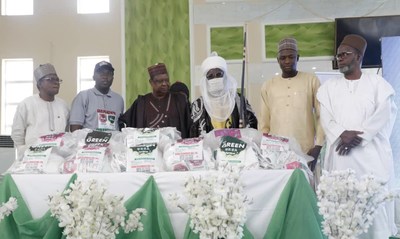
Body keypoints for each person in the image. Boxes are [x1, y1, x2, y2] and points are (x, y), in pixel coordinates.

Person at [317, 34, 397, 238]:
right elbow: (326, 119)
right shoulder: (328, 89)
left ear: (359, 56)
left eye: (345, 54)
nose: (340, 58)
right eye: (338, 55)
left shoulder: (378, 84)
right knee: (343, 210)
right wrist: (342, 134)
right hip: (341, 158)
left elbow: (384, 113)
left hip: (372, 159)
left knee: (373, 209)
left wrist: (360, 137)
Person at [259, 37, 324, 169]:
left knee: (304, 187)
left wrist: (318, 146)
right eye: (283, 58)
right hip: (276, 152)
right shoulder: (268, 85)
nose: (287, 61)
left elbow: (321, 116)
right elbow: (264, 123)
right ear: (278, 60)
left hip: (306, 150)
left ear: (297, 58)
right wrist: (264, 151)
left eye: (291, 57)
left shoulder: (311, 81)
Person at [190, 52, 257, 137]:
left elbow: (252, 127)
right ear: (205, 80)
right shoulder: (198, 106)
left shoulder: (238, 100)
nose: (215, 78)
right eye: (210, 76)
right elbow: (193, 135)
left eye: (219, 74)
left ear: (225, 76)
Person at [11, 63, 69, 158]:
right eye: (50, 79)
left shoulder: (63, 105)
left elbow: (66, 132)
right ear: (39, 83)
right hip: (33, 157)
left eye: (57, 80)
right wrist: (23, 152)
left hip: (58, 157)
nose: (56, 82)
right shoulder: (26, 104)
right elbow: (17, 133)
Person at [119, 63, 191, 138]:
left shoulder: (179, 100)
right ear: (151, 82)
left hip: (174, 147)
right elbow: (125, 122)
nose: (164, 84)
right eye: (160, 81)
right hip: (148, 146)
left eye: (167, 80)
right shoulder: (141, 103)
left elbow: (190, 125)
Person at [69, 61, 124, 132]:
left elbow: (120, 126)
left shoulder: (118, 99)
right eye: (101, 73)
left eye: (109, 73)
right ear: (94, 77)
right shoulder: (83, 96)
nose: (105, 76)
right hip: (89, 142)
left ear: (113, 78)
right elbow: (75, 129)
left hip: (114, 142)